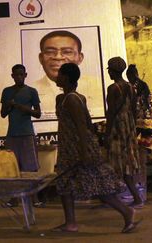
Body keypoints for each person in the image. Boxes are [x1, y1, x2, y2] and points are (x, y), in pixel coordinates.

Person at [54, 62, 140, 233]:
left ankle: (127, 212)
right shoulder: (65, 98)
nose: (57, 77)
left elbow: (82, 126)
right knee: (64, 185)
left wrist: (86, 152)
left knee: (97, 186)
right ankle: (70, 223)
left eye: (60, 74)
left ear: (66, 77)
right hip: (70, 149)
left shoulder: (72, 99)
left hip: (78, 149)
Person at [33, 30, 103, 122]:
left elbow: (82, 125)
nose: (58, 57)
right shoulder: (33, 88)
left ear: (80, 57)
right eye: (50, 52)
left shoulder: (97, 86)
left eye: (67, 52)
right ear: (41, 58)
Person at [105, 57, 143, 208]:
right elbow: (134, 110)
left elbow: (112, 113)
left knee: (114, 162)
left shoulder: (113, 88)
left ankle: (113, 199)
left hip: (117, 128)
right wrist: (131, 129)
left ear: (113, 71)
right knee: (127, 162)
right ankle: (135, 197)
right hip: (128, 127)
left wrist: (107, 133)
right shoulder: (130, 87)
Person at [0, 64, 40, 172]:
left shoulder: (32, 91)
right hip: (12, 134)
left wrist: (23, 108)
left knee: (30, 168)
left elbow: (38, 114)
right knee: (12, 169)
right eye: (16, 75)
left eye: (21, 74)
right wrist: (9, 105)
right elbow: (3, 114)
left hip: (27, 133)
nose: (19, 77)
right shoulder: (6, 91)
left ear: (25, 75)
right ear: (12, 76)